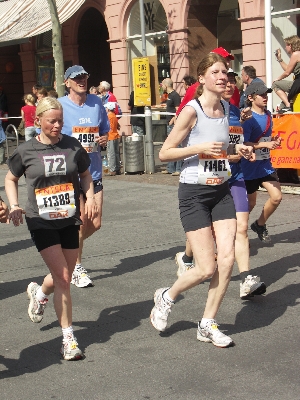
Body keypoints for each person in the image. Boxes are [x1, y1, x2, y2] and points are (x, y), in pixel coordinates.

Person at [150, 53, 253, 347]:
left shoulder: (226, 107)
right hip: (194, 193)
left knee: (228, 259)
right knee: (206, 267)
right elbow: (165, 153)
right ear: (203, 78)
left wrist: (240, 148)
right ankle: (167, 296)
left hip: (221, 191)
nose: (224, 77)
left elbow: (223, 147)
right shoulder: (191, 111)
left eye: (226, 73)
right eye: (217, 72)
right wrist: (198, 146)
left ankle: (207, 323)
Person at [5, 97, 97, 360]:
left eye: (60, 121)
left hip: (69, 218)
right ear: (39, 122)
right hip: (40, 220)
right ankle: (68, 339)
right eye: (52, 121)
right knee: (64, 278)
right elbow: (10, 178)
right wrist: (14, 204)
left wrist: (89, 198)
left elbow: (85, 175)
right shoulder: (26, 150)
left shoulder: (72, 145)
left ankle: (39, 291)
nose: (57, 126)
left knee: (61, 278)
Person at [175, 70, 266, 300]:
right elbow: (172, 149)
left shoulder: (235, 112)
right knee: (202, 232)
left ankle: (246, 278)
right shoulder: (200, 111)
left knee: (241, 228)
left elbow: (241, 142)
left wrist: (244, 148)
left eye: (232, 80)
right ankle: (186, 257)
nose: (228, 83)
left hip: (232, 177)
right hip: (201, 182)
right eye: (223, 79)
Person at [58, 65, 109, 288]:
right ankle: (76, 266)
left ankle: (67, 247)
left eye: (85, 77)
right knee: (80, 223)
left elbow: (105, 130)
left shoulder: (96, 102)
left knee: (95, 222)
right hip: (70, 173)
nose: (82, 80)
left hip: (94, 170)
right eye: (76, 78)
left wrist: (105, 139)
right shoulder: (59, 105)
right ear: (67, 82)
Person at [241, 81, 282, 243]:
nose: (265, 97)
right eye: (262, 94)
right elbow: (244, 144)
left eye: (266, 94)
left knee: (276, 197)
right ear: (250, 97)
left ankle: (259, 224)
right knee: (250, 204)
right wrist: (265, 144)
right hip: (249, 167)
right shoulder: (248, 118)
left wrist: (272, 141)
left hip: (264, 165)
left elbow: (264, 138)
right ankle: (236, 231)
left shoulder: (268, 115)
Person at [273, 35, 300, 112]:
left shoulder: (296, 54)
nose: (285, 48)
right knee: (282, 105)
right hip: (297, 82)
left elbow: (287, 72)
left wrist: (277, 79)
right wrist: (279, 59)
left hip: (298, 83)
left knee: (275, 84)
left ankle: (288, 105)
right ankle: (287, 104)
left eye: (286, 45)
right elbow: (289, 69)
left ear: (290, 45)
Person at [160, 78, 182, 176]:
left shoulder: (175, 95)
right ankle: (170, 168)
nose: (161, 87)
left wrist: (173, 120)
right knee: (169, 145)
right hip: (168, 122)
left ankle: (178, 169)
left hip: (172, 123)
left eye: (162, 85)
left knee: (175, 146)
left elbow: (178, 110)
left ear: (166, 85)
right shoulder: (169, 96)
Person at [104, 102, 121, 176]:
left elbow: (107, 127)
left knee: (111, 154)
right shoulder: (114, 115)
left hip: (110, 136)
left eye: (106, 108)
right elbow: (118, 126)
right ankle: (117, 168)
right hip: (116, 136)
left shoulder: (108, 116)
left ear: (108, 108)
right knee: (116, 153)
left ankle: (112, 169)